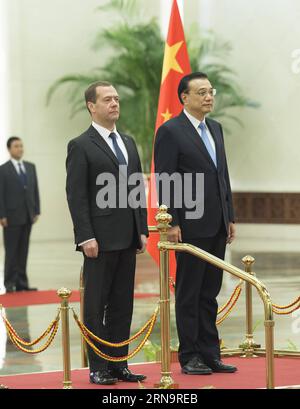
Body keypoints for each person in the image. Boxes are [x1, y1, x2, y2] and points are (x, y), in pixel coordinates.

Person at [66, 81, 148, 385]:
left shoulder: (127, 142)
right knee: (95, 306)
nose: (114, 103)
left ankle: (119, 365)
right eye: (107, 99)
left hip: (128, 238)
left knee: (122, 305)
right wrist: (85, 235)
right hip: (98, 241)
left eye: (116, 98)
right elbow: (77, 195)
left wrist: (142, 228)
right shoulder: (81, 144)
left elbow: (137, 186)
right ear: (92, 106)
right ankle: (98, 367)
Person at [154, 72, 237, 375]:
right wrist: (172, 221)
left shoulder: (215, 128)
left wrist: (230, 216)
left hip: (216, 225)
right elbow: (165, 178)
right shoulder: (171, 131)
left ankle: (210, 353)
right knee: (189, 292)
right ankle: (190, 356)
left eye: (210, 91)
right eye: (201, 92)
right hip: (188, 226)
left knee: (210, 292)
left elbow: (222, 176)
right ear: (184, 98)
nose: (208, 97)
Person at [0, 137, 40, 293]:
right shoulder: (3, 170)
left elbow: (34, 190)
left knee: (24, 251)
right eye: (16, 146)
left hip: (27, 216)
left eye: (21, 146)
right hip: (10, 217)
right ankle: (9, 283)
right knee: (11, 252)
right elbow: (0, 194)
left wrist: (36, 210)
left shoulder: (30, 167)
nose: (20, 149)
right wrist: (2, 215)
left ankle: (22, 283)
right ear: (9, 149)